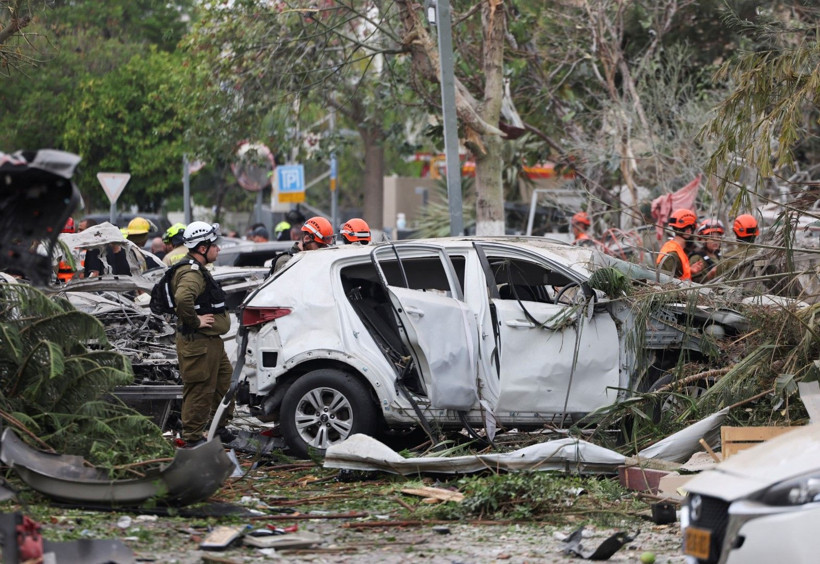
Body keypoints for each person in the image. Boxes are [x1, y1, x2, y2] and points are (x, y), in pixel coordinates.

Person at [171, 221, 234, 447]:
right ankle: (192, 438)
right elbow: (182, 298)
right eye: (214, 245)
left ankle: (218, 427)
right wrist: (195, 321)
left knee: (224, 383)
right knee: (200, 389)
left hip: (210, 343)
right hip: (198, 343)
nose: (218, 249)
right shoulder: (192, 274)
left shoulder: (199, 270)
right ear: (202, 248)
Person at [656, 208, 697, 280]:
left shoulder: (677, 249)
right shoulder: (673, 254)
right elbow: (663, 281)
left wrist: (690, 270)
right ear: (688, 230)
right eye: (691, 228)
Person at [688, 218, 724, 283]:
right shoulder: (697, 258)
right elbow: (693, 283)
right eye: (711, 237)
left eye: (718, 237)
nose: (716, 240)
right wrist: (710, 275)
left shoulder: (718, 256)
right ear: (703, 239)